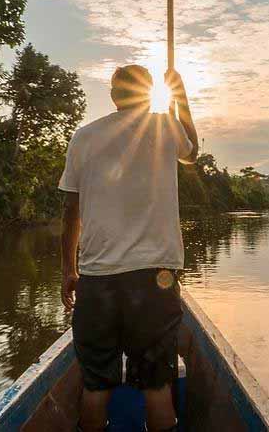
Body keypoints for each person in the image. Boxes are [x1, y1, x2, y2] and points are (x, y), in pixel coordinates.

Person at [58, 64, 199, 432]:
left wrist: (69, 270)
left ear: (113, 94)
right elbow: (192, 152)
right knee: (156, 386)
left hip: (97, 280)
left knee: (95, 385)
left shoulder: (83, 137)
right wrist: (179, 97)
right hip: (153, 280)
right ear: (148, 92)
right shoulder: (164, 124)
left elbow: (71, 212)